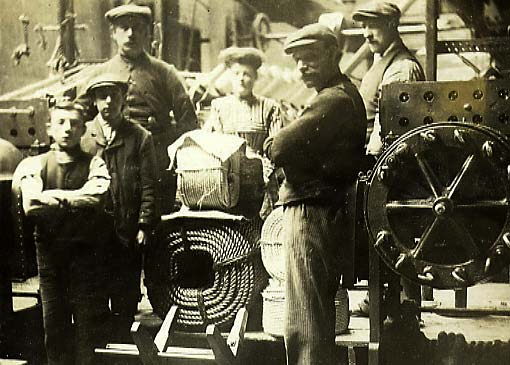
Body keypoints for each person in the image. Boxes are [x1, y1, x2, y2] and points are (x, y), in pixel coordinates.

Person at [263, 24, 367, 364]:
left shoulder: (332, 100)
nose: (301, 68)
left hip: (310, 212)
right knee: (316, 317)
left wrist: (274, 144)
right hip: (325, 211)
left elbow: (279, 147)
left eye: (309, 59)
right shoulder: (344, 94)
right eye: (297, 61)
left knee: (304, 322)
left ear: (333, 55)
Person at [12, 101, 111, 365]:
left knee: (87, 333)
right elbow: (31, 204)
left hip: (84, 260)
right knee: (54, 331)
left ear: (82, 130)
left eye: (74, 124)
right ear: (50, 128)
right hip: (51, 262)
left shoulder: (95, 164)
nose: (67, 129)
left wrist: (54, 198)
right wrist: (75, 199)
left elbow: (97, 197)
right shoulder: (35, 164)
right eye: (61, 123)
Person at [77, 3, 198, 214]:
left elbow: (189, 123)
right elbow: (77, 116)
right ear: (114, 33)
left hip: (155, 164)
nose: (131, 34)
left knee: (156, 228)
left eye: (138, 28)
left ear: (147, 33)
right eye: (124, 27)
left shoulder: (164, 72)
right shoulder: (100, 74)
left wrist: (163, 146)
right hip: (109, 163)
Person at [352, 1, 426, 317]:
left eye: (374, 26)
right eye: (364, 26)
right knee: (385, 235)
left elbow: (393, 124)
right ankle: (388, 300)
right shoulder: (380, 61)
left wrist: (371, 158)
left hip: (390, 161)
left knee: (396, 232)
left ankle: (405, 306)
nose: (367, 33)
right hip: (378, 159)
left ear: (392, 26)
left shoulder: (401, 66)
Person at [81, 73, 159, 342]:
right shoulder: (84, 137)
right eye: (102, 95)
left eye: (114, 94)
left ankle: (123, 352)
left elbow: (150, 185)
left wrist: (144, 225)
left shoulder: (140, 137)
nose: (108, 101)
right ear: (94, 101)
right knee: (96, 300)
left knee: (126, 301)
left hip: (127, 233)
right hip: (93, 235)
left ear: (123, 99)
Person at [202, 46, 284, 218]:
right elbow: (209, 142)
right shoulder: (219, 106)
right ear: (230, 76)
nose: (241, 79)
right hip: (228, 178)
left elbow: (277, 147)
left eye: (247, 74)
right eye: (236, 74)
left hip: (261, 180)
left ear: (255, 77)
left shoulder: (269, 107)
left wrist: (264, 176)